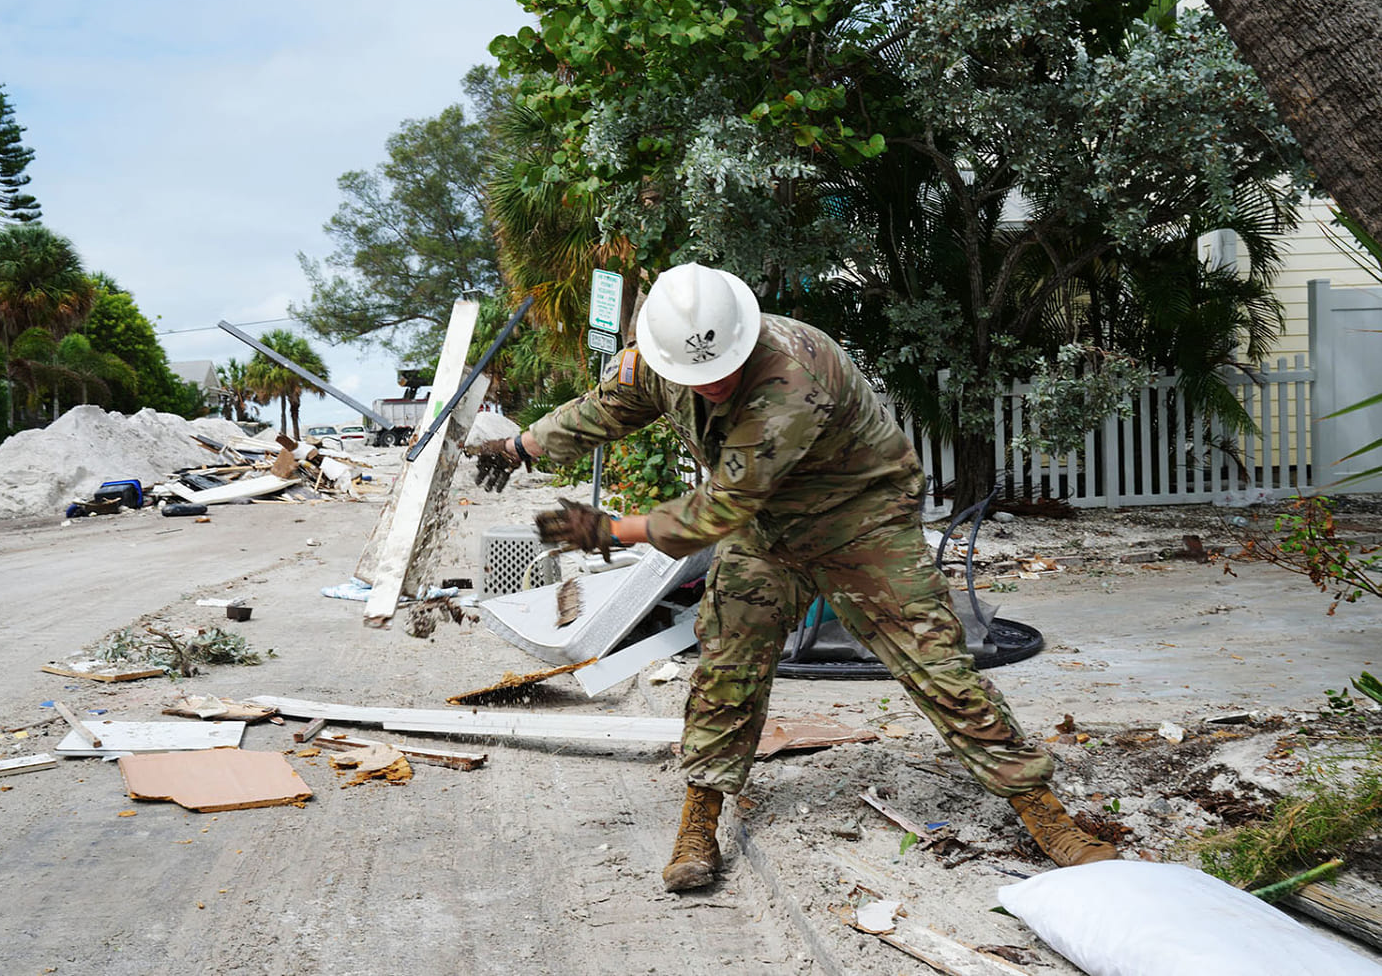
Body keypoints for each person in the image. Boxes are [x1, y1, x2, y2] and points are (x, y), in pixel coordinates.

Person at [472, 263, 1116, 892]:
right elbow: (610, 405)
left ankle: (1044, 814)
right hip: (765, 532)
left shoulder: (790, 375)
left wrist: (611, 530)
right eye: (699, 375)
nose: (715, 382)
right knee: (726, 665)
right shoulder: (660, 362)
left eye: (725, 369)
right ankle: (702, 812)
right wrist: (521, 445)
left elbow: (719, 509)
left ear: (744, 338)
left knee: (935, 664)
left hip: (859, 523)